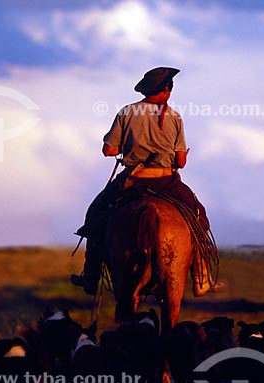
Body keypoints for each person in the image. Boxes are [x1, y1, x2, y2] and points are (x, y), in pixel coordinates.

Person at [70, 67, 224, 297]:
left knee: (96, 213)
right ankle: (202, 277)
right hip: (165, 180)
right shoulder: (175, 117)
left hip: (133, 179)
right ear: (165, 90)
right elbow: (181, 162)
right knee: (199, 215)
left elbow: (108, 149)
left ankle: (90, 276)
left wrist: (128, 147)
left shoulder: (126, 112)